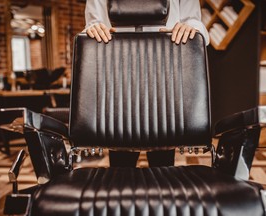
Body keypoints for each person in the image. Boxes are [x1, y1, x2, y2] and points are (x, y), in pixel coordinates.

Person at [84, 0, 210, 167]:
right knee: (121, 165)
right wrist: (92, 30)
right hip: (117, 76)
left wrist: (192, 27)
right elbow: (94, 24)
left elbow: (194, 21)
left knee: (163, 162)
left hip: (166, 73)